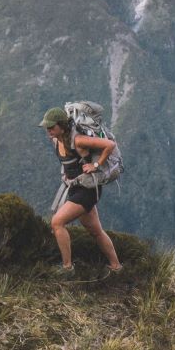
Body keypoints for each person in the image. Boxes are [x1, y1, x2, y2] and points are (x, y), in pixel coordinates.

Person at [41, 107, 123, 278]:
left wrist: (96, 165)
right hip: (75, 188)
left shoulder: (78, 140)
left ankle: (67, 269)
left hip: (88, 190)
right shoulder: (56, 140)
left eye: (51, 127)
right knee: (96, 232)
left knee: (57, 223)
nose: (48, 130)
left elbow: (109, 145)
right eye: (46, 127)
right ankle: (116, 267)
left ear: (62, 126)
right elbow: (67, 163)